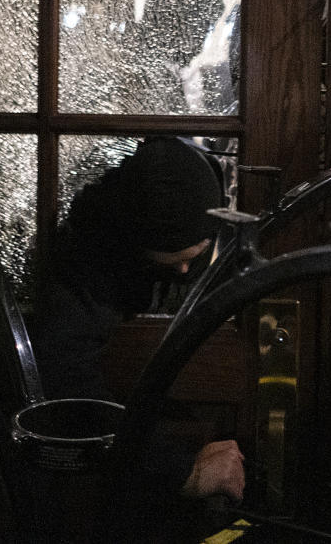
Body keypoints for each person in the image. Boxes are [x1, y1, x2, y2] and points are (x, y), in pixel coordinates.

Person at [34, 136, 245, 502]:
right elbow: (66, 377)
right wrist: (181, 471)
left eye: (194, 256)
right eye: (166, 261)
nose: (183, 269)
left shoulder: (207, 186)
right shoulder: (90, 248)